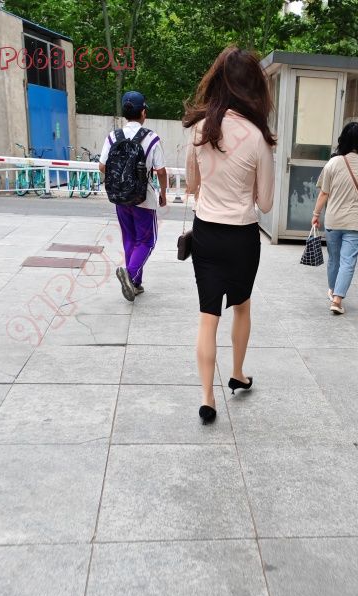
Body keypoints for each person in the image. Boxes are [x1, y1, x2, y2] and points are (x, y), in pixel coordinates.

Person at [183, 47, 275, 425]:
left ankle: (207, 397)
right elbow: (265, 203)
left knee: (208, 316)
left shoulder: (200, 130)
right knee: (242, 306)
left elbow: (192, 185)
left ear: (218, 81)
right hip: (242, 237)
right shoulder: (257, 137)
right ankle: (237, 373)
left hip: (206, 233)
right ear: (253, 87)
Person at [99, 90, 167, 301]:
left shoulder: (113, 137)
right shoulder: (152, 138)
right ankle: (129, 275)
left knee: (129, 238)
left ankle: (135, 283)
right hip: (143, 197)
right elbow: (161, 171)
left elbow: (102, 166)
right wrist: (164, 193)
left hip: (120, 197)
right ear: (143, 112)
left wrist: (122, 178)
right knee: (147, 241)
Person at [311, 122, 358, 315]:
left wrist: (316, 215)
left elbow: (324, 193)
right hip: (355, 222)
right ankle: (337, 299)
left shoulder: (333, 163)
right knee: (348, 261)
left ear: (344, 139)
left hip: (333, 220)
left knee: (334, 259)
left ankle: (333, 291)